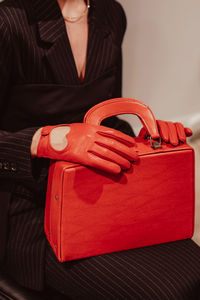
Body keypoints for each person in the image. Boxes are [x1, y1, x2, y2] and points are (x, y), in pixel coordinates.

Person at [0, 0, 199, 299]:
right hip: (31, 208)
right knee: (166, 291)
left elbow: (107, 117)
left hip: (104, 195)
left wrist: (148, 139)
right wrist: (47, 139)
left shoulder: (111, 14)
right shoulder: (8, 23)